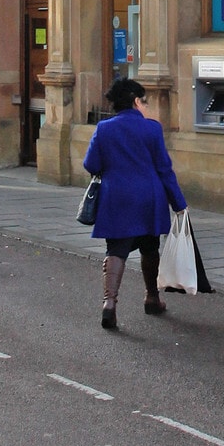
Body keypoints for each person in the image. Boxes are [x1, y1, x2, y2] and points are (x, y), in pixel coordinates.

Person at [82, 77, 186, 331]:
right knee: (149, 248)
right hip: (148, 198)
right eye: (144, 101)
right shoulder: (152, 129)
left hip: (116, 198)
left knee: (116, 250)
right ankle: (152, 297)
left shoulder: (104, 129)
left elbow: (91, 165)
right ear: (136, 101)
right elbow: (164, 169)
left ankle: (109, 303)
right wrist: (178, 203)